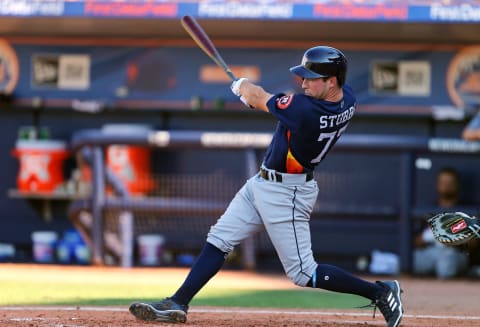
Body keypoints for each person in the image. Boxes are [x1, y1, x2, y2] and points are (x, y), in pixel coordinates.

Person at [129, 46, 404, 327]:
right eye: (303, 77)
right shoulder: (348, 99)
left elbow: (259, 96)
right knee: (219, 239)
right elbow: (270, 104)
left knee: (303, 273)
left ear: (331, 81)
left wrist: (241, 86)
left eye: (311, 78)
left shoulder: (305, 109)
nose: (304, 83)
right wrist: (254, 97)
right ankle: (179, 302)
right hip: (263, 182)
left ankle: (381, 292)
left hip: (288, 192)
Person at [413, 167, 469, 279]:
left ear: (457, 185)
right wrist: (429, 236)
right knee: (411, 259)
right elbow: (417, 241)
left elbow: (473, 244)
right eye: (443, 182)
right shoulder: (429, 210)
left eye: (450, 182)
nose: (446, 185)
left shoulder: (466, 211)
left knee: (446, 260)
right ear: (437, 184)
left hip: (453, 253)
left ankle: (443, 294)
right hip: (430, 251)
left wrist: (452, 238)